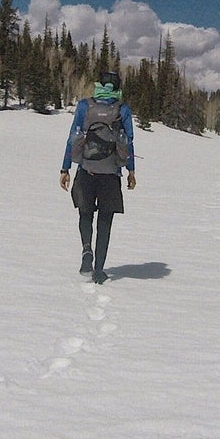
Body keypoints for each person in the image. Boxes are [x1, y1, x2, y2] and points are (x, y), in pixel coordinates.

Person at [59, 69, 136, 284]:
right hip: (111, 174)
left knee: (85, 214)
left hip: (86, 170)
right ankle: (99, 270)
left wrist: (65, 169)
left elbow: (72, 137)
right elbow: (128, 141)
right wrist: (131, 171)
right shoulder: (122, 109)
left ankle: (86, 250)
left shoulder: (85, 106)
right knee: (105, 221)